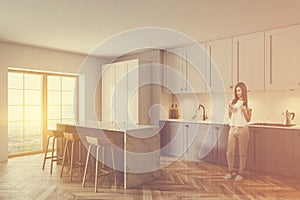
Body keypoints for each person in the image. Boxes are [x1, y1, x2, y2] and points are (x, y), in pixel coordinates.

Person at [224, 82, 252, 181]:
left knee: (242, 153)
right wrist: (229, 109)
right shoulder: (233, 101)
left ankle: (240, 173)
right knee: (229, 152)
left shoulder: (248, 103)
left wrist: (244, 110)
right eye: (236, 90)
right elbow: (230, 116)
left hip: (243, 129)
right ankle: (231, 171)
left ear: (243, 91)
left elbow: (248, 119)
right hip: (232, 128)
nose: (237, 92)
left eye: (239, 90)